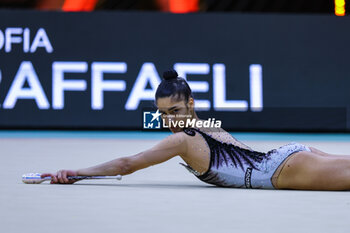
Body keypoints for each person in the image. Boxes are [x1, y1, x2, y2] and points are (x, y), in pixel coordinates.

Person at [42, 70, 350, 191]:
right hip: (288, 159)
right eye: (162, 114)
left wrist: (78, 172)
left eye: (174, 111)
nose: (169, 120)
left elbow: (127, 164)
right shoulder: (204, 125)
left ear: (190, 103)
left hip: (283, 170)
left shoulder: (182, 140)